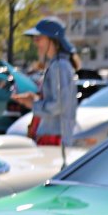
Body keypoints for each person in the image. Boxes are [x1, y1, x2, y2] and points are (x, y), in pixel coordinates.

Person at [24, 18, 80, 156]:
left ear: (52, 40)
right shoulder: (58, 65)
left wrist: (33, 104)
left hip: (55, 139)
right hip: (54, 137)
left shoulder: (59, 66)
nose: (35, 42)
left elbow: (59, 104)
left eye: (39, 38)